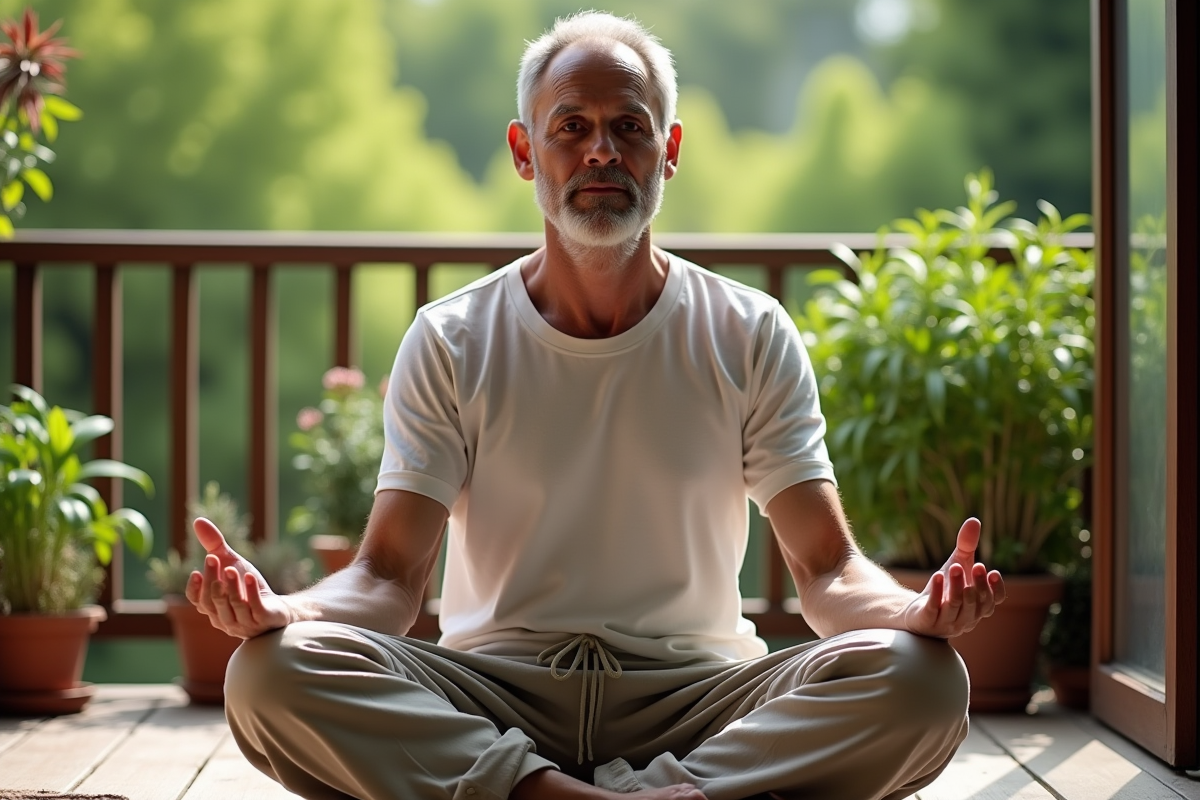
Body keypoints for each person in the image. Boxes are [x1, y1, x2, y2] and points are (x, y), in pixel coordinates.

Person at [187, 12, 1005, 800]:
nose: (601, 151)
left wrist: (911, 611)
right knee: (267, 672)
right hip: (493, 694)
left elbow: (825, 570)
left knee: (925, 680)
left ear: (669, 150)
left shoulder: (747, 331)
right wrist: (287, 609)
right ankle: (584, 794)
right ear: (524, 151)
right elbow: (389, 577)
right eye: (570, 127)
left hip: (694, 701)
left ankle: (595, 794)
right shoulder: (452, 339)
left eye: (630, 126)